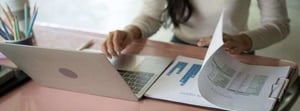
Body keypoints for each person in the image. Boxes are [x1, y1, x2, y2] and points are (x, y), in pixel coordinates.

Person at [101, 0, 290, 58]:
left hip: (235, 52)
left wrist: (244, 40)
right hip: (181, 50)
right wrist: (130, 32)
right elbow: (151, 16)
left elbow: (278, 23)